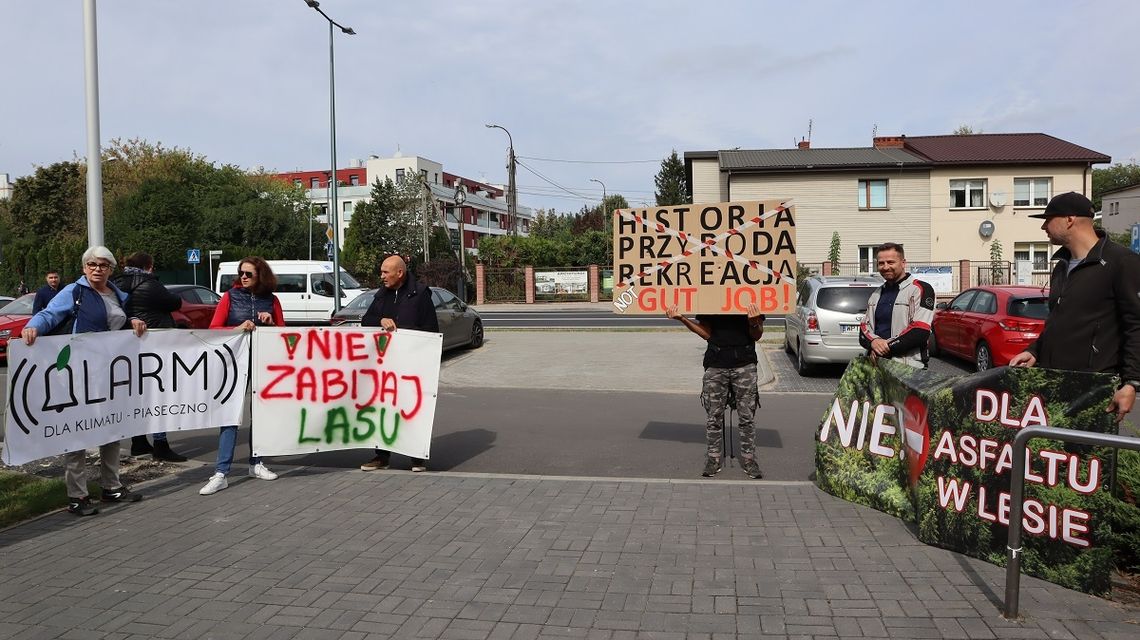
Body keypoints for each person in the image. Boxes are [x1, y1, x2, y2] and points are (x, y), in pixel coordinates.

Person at [20, 246, 148, 516]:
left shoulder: (117, 294)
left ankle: (111, 487)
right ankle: (77, 496)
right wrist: (33, 326)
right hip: (80, 373)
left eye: (103, 265)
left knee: (113, 428)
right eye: (91, 264)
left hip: (111, 374)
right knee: (76, 430)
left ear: (111, 269)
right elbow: (50, 314)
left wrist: (135, 320)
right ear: (84, 268)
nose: (97, 269)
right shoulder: (74, 292)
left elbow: (120, 322)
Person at [1010, 191, 1140, 423]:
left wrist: (1132, 383)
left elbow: (1136, 325)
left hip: (1093, 388)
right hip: (1052, 382)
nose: (1043, 227)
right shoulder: (1062, 266)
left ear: (1070, 219)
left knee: (1087, 455)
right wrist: (1034, 351)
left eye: (1048, 219)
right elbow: (1058, 321)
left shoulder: (1122, 262)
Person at [199, 257, 283, 495]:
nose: (243, 277)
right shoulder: (229, 297)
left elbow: (283, 334)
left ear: (261, 275)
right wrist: (237, 329)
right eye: (241, 273)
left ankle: (257, 463)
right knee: (230, 415)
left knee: (260, 414)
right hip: (234, 363)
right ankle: (221, 472)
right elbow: (214, 328)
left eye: (248, 273)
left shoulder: (272, 300)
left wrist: (272, 323)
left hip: (262, 362)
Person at [359, 255, 440, 473]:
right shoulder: (381, 296)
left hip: (412, 366)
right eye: (382, 271)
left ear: (400, 273)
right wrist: (379, 321)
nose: (382, 276)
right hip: (384, 368)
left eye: (386, 272)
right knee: (383, 409)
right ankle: (381, 456)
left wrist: (403, 333)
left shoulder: (420, 295)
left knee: (412, 409)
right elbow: (365, 321)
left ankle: (416, 457)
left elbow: (431, 330)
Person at [665, 302, 765, 479]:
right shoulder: (710, 296)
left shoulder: (752, 297)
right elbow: (706, 334)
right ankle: (713, 458)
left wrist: (754, 322)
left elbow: (757, 336)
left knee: (747, 417)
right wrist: (681, 319)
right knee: (714, 416)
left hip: (745, 364)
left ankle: (749, 460)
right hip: (716, 365)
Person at [112, 252, 190, 462]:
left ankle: (139, 442)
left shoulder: (116, 283)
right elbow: (174, 302)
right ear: (149, 266)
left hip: (130, 347)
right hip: (156, 344)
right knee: (159, 395)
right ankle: (160, 444)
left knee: (139, 394)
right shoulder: (150, 283)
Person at [858, 242, 935, 368]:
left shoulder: (921, 289)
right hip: (877, 368)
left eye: (890, 262)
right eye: (881, 263)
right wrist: (874, 341)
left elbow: (920, 332)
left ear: (903, 263)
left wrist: (884, 348)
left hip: (909, 369)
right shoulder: (876, 294)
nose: (885, 267)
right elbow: (863, 331)